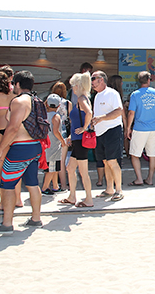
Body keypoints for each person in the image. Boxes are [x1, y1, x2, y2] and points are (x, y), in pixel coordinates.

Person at [0, 71, 44, 234]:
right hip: (35, 146)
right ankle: (36, 219)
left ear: (18, 84)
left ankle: (7, 223)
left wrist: (1, 149)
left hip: (20, 148)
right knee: (33, 184)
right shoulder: (36, 101)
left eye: (14, 83)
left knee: (7, 185)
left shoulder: (19, 102)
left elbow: (12, 128)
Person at [58, 72, 94, 208]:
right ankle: (72, 196)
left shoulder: (81, 99)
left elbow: (89, 113)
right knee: (70, 168)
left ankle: (88, 199)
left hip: (80, 140)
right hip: (77, 139)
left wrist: (84, 128)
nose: (72, 88)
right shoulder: (83, 98)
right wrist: (72, 135)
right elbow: (84, 117)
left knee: (82, 171)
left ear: (78, 86)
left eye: (74, 85)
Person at [0, 65, 22, 210]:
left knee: (1, 166)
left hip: (0, 131)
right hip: (14, 131)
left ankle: (3, 202)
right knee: (15, 167)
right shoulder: (16, 93)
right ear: (12, 77)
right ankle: (18, 199)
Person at [90, 70, 124, 202]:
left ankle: (119, 190)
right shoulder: (97, 96)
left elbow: (119, 111)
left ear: (101, 79)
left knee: (112, 161)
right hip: (100, 132)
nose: (92, 82)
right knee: (105, 161)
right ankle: (109, 188)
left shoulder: (112, 93)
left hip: (112, 130)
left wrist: (102, 118)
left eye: (93, 78)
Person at [126, 71, 155, 186]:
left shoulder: (135, 94)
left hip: (139, 128)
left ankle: (139, 179)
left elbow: (131, 113)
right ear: (149, 80)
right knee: (152, 155)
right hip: (153, 128)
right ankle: (150, 179)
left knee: (135, 154)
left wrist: (128, 128)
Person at [41, 94, 65, 195]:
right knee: (52, 168)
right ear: (58, 105)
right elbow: (56, 131)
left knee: (54, 167)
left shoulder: (44, 115)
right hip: (54, 145)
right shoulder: (56, 116)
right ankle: (45, 187)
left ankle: (55, 186)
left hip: (46, 145)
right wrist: (63, 141)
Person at [50, 81, 71, 190]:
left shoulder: (47, 103)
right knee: (62, 161)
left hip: (51, 133)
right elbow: (71, 120)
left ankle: (54, 185)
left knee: (52, 160)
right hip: (63, 133)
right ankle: (63, 185)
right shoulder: (67, 103)